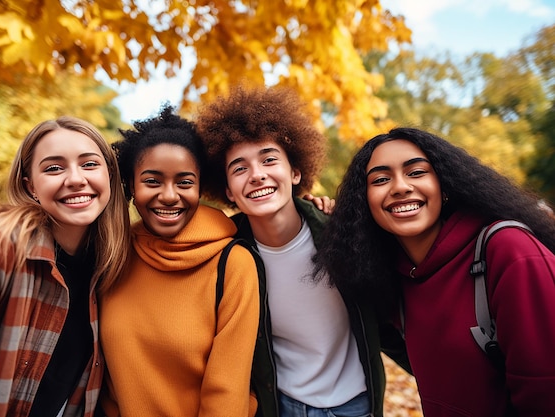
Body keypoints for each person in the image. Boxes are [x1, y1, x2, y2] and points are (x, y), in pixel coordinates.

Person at [313, 127, 555, 416]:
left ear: (445, 183)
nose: (400, 187)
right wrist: (322, 219)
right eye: (380, 179)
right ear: (363, 201)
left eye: (416, 172)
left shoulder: (509, 250)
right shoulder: (394, 276)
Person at [196, 84, 398, 417]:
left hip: (358, 404)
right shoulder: (226, 255)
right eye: (239, 168)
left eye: (269, 159)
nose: (257, 175)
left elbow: (392, 314)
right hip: (283, 407)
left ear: (295, 172)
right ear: (229, 191)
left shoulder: (341, 233)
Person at [0, 116, 130, 417]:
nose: (76, 179)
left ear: (110, 176)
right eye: (53, 168)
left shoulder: (110, 264)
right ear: (30, 186)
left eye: (89, 164)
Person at [97, 105, 260, 416]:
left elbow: (227, 392)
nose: (169, 195)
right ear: (132, 186)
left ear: (199, 188)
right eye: (152, 181)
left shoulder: (233, 264)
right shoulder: (114, 254)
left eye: (184, 182)